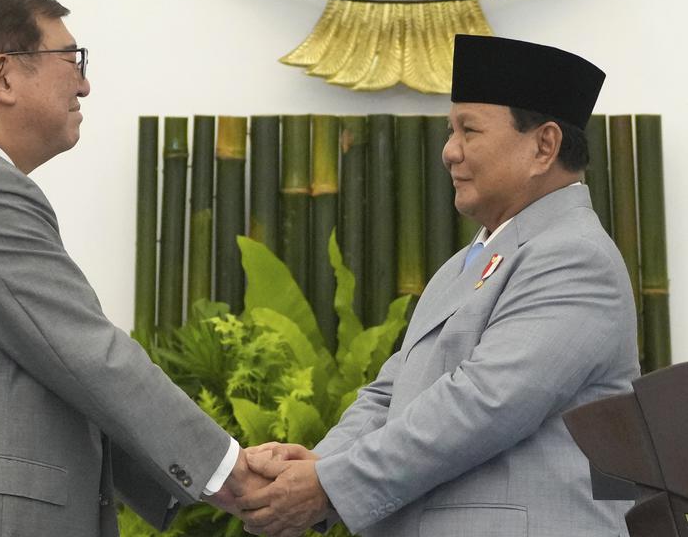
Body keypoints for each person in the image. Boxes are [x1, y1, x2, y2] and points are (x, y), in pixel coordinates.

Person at [0, 0, 264, 537]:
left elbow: (55, 372)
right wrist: (229, 472)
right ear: (2, 77)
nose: (85, 84)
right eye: (72, 60)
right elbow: (89, 357)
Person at [237, 34, 640, 536]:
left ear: (545, 145)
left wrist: (328, 484)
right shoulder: (465, 263)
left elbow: (482, 404)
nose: (450, 151)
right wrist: (317, 464)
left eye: (469, 130)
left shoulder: (575, 256)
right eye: (451, 131)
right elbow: (389, 393)